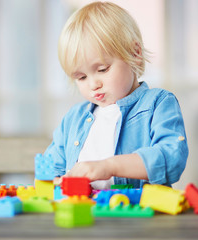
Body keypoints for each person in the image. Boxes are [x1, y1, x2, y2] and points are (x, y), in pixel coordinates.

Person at [44, 1, 188, 189]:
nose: (93, 84)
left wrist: (109, 166)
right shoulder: (73, 119)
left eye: (102, 69)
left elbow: (172, 157)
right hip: (85, 215)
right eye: (81, 77)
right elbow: (50, 173)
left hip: (139, 216)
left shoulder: (158, 104)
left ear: (135, 53)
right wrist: (53, 180)